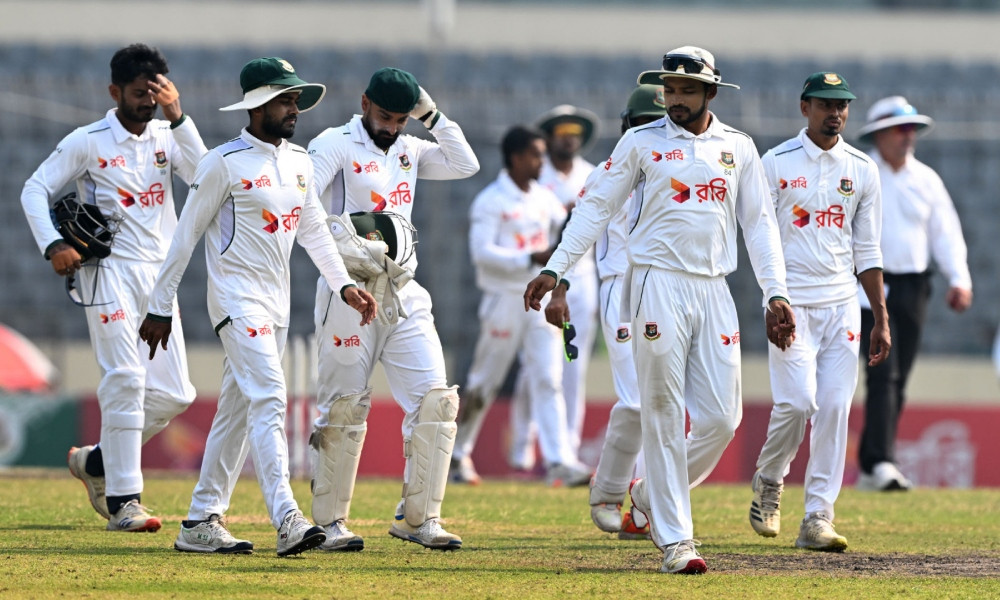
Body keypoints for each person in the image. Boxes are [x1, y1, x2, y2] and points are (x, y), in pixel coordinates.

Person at [524, 47, 795, 574]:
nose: (675, 99)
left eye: (687, 90)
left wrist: (775, 293)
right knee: (663, 413)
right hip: (655, 282)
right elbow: (595, 208)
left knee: (722, 419)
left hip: (714, 288)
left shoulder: (737, 147)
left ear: (710, 92)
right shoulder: (640, 142)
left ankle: (648, 493)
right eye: (670, 89)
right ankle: (676, 542)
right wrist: (557, 270)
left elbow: (760, 225)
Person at [138, 57, 377, 557]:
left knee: (238, 411)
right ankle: (287, 519)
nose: (295, 109)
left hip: (276, 306)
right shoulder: (222, 162)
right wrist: (160, 306)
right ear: (257, 105)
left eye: (296, 100)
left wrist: (344, 286)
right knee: (270, 395)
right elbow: (185, 237)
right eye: (285, 100)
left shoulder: (300, 162)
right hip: (235, 300)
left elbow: (314, 231)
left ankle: (200, 520)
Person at [20, 43, 207, 532]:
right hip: (107, 272)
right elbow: (34, 189)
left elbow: (207, 180)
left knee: (176, 393)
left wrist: (179, 117)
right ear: (114, 92)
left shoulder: (169, 134)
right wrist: (53, 244)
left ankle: (98, 461)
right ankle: (126, 502)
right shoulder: (88, 140)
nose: (148, 101)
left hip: (158, 277)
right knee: (125, 377)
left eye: (156, 92)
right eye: (139, 93)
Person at [304, 67, 478, 551]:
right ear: (364, 103)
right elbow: (303, 209)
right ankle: (329, 523)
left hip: (402, 290)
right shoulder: (333, 144)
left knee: (437, 403)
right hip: (349, 290)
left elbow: (465, 164)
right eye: (385, 116)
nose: (392, 127)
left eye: (402, 118)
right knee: (344, 408)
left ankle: (419, 518)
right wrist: (340, 274)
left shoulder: (410, 147)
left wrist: (431, 114)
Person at [748, 72, 890, 553]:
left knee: (833, 408)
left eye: (842, 105)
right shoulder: (775, 162)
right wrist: (773, 298)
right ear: (804, 107)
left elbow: (867, 249)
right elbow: (760, 237)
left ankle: (818, 517)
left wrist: (880, 317)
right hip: (791, 305)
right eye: (826, 104)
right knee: (796, 404)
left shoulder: (862, 168)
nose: (836, 113)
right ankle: (770, 477)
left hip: (842, 306)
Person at [454, 125, 592, 489]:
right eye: (535, 155)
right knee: (485, 381)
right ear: (515, 158)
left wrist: (577, 214)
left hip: (539, 300)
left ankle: (559, 460)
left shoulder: (544, 199)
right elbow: (481, 253)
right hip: (503, 298)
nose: (541, 162)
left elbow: (567, 232)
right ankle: (457, 454)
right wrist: (530, 257)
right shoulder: (490, 200)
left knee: (549, 378)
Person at [853, 96, 973, 491]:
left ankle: (873, 464)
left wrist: (959, 278)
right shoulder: (861, 172)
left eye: (911, 130)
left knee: (899, 377)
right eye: (900, 130)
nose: (908, 137)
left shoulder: (926, 179)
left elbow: (945, 232)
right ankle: (880, 461)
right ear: (880, 135)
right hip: (869, 288)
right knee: (883, 373)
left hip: (914, 286)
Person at [580, 84, 664, 539]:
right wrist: (561, 287)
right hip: (620, 286)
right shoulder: (606, 173)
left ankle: (647, 503)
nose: (650, 132)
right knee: (637, 400)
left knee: (664, 402)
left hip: (667, 289)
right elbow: (579, 230)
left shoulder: (674, 171)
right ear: (625, 127)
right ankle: (611, 487)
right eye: (642, 124)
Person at [506, 105, 601, 472]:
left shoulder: (592, 175)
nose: (569, 139)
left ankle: (567, 450)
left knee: (573, 365)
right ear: (549, 138)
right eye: (562, 133)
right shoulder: (536, 175)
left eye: (574, 134)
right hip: (542, 277)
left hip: (582, 278)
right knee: (536, 366)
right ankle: (523, 441)